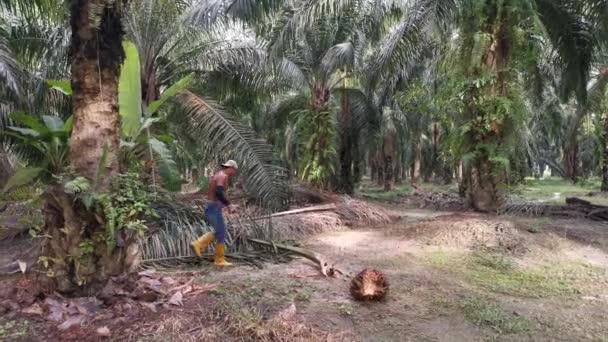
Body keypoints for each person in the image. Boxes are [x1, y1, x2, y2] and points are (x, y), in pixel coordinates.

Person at [191, 160, 238, 266]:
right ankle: (218, 259)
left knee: (220, 231)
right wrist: (229, 205)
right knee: (221, 232)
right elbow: (219, 192)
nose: (234, 173)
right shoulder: (223, 176)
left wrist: (226, 205)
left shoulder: (219, 175)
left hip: (213, 207)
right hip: (213, 207)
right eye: (234, 170)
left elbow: (218, 194)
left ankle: (199, 245)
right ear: (231, 168)